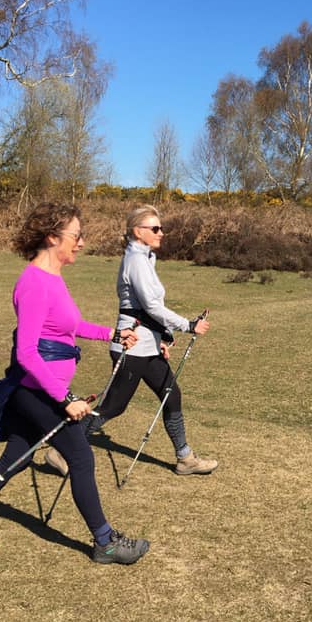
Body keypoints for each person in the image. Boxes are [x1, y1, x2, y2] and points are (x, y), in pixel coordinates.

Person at [0, 202, 149, 565]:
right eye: (76, 236)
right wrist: (65, 398)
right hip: (38, 392)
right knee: (80, 457)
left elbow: (69, 328)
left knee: (13, 460)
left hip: (39, 392)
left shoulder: (52, 279)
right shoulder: (34, 282)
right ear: (52, 237)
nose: (81, 243)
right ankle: (105, 543)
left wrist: (114, 333)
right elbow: (27, 354)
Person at [47, 204, 217, 477]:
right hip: (132, 345)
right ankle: (60, 447)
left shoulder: (145, 258)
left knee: (171, 395)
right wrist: (188, 325)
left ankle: (185, 458)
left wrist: (161, 337)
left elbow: (148, 308)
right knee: (114, 406)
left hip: (147, 345)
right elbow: (151, 306)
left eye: (160, 227)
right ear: (138, 232)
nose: (161, 232)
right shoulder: (136, 261)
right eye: (155, 228)